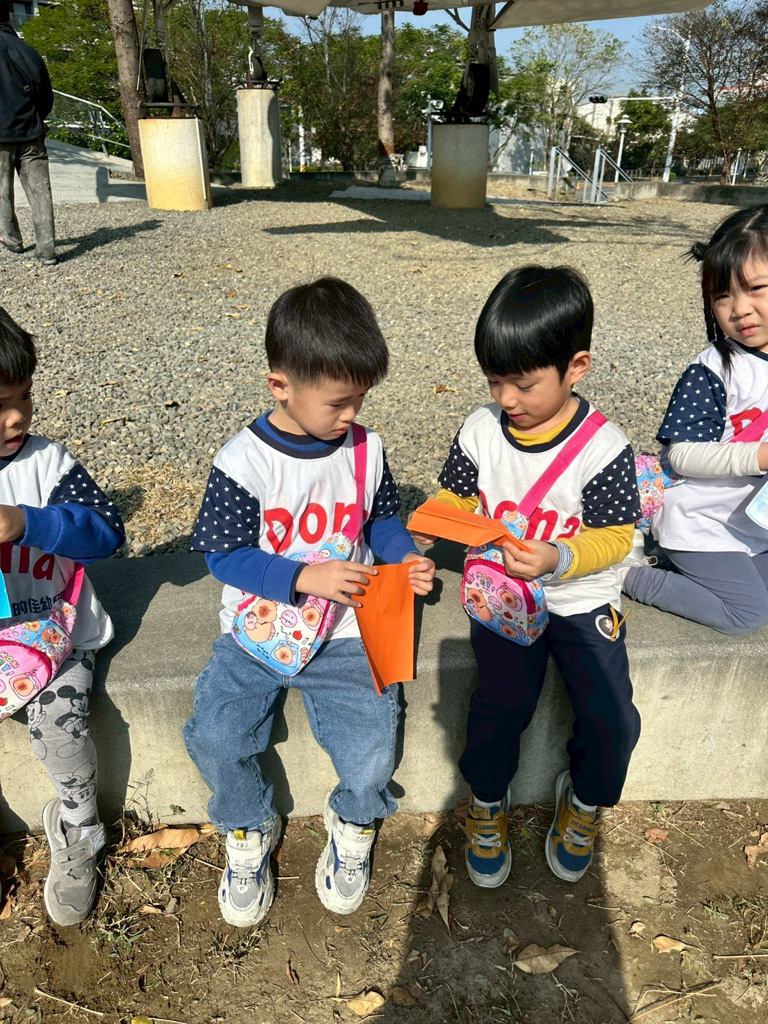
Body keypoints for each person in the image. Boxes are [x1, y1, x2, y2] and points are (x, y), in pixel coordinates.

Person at [184, 277, 435, 927]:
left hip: (346, 632)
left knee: (373, 747)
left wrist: (404, 558)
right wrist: (303, 577)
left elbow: (381, 519)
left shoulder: (366, 450)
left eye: (361, 399)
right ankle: (247, 822)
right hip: (256, 631)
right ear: (281, 386)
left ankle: (355, 816)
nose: (352, 415)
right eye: (338, 402)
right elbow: (223, 556)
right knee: (216, 735)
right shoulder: (243, 462)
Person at [412, 265, 641, 888]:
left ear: (577, 367)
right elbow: (459, 496)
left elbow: (616, 538)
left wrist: (557, 558)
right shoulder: (481, 429)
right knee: (501, 701)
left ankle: (585, 799)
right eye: (494, 381)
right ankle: (487, 801)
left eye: (523, 383)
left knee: (611, 716)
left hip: (579, 595)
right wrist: (434, 520)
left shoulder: (604, 448)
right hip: (504, 595)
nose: (507, 399)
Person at [0, 305, 125, 924]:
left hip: (58, 634)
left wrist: (29, 522)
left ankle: (80, 828)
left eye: (23, 397)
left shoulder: (46, 464)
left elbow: (106, 532)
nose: (16, 417)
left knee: (59, 726)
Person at [621, 205, 768, 635]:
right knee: (746, 615)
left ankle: (668, 562)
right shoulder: (714, 369)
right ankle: (630, 575)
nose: (739, 309)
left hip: (751, 525)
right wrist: (758, 456)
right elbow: (680, 455)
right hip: (699, 522)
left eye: (756, 289)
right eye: (723, 296)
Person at [0, 0, 56, 266]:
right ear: (9, 16)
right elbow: (46, 95)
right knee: (40, 191)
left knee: (1, 190)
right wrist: (34, 119)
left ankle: (12, 240)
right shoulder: (28, 50)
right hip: (31, 130)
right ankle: (47, 249)